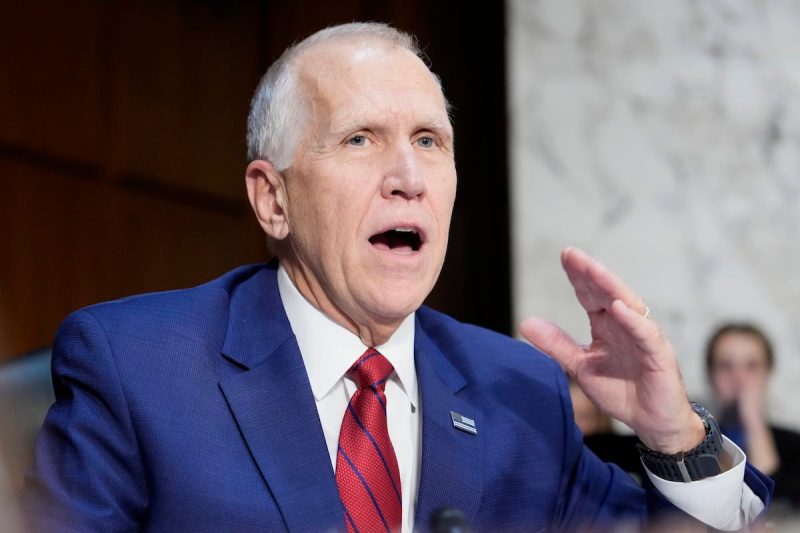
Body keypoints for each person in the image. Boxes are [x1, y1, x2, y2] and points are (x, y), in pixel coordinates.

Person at [22, 23, 771, 532]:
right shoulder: (137, 365)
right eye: (360, 139)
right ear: (272, 198)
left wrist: (675, 436)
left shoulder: (517, 390)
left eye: (428, 141)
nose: (408, 177)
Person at [706, 322, 800, 508]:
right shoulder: (691, 444)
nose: (739, 377)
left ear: (768, 373)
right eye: (725, 366)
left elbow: (778, 506)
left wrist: (753, 421)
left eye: (752, 366)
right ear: (710, 374)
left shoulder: (794, 446)